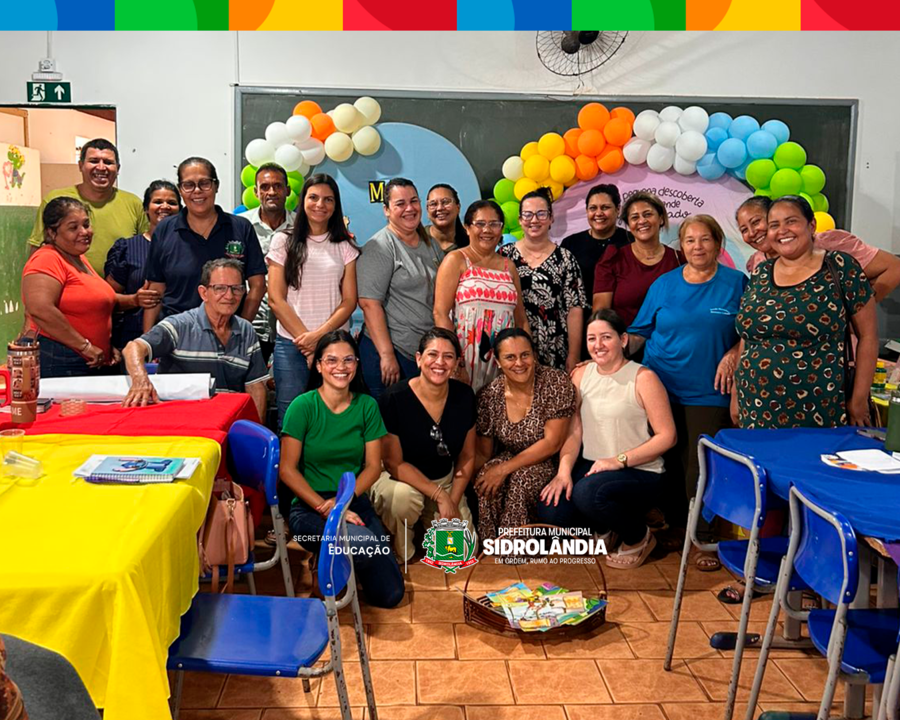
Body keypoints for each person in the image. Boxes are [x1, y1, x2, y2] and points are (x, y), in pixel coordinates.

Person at [628, 215, 747, 563]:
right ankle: (674, 529)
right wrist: (606, 351)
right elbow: (640, 332)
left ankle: (704, 537)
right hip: (660, 387)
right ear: (681, 247)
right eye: (690, 240)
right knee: (663, 465)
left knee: (700, 467)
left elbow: (753, 331)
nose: (697, 247)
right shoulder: (664, 285)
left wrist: (733, 352)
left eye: (705, 240)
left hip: (709, 391)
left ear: (718, 244)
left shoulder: (737, 283)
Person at [279, 330, 405, 609]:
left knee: (391, 595)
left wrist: (344, 504)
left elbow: (373, 467)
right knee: (363, 545)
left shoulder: (367, 406)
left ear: (357, 365)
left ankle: (338, 558)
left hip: (353, 500)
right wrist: (330, 509)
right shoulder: (303, 406)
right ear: (319, 365)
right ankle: (328, 555)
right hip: (311, 507)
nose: (341, 367)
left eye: (348, 360)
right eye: (332, 360)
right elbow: (287, 471)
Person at [542, 309, 676, 569]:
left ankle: (639, 536)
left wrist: (618, 460)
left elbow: (668, 437)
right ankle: (606, 526)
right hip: (595, 466)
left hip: (639, 469)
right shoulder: (581, 375)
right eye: (592, 339)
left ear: (623, 340)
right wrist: (564, 472)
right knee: (553, 509)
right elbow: (574, 431)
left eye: (606, 337)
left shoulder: (643, 378)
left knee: (588, 494)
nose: (598, 345)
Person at [734, 195, 877, 429]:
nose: (782, 231)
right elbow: (748, 338)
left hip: (820, 408)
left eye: (791, 221)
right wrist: (735, 395)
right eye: (774, 225)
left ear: (811, 225)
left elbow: (868, 337)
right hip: (756, 407)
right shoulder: (761, 273)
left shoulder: (840, 266)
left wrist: (858, 400)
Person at [372, 328, 477, 563]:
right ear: (419, 359)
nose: (440, 362)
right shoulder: (393, 398)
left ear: (456, 362)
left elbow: (468, 455)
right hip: (400, 480)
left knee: (456, 556)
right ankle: (401, 547)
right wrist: (439, 496)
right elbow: (393, 462)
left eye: (448, 356)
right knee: (402, 499)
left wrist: (451, 499)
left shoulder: (464, 396)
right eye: (432, 354)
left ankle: (429, 527)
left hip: (444, 479)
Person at [121, 259, 268, 421]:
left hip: (227, 423)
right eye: (220, 288)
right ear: (203, 293)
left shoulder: (246, 330)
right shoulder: (180, 325)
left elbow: (255, 387)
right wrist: (140, 380)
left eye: (237, 289)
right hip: (180, 423)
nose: (229, 296)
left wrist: (256, 431)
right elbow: (133, 348)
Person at [22, 197, 152, 378]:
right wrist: (84, 346)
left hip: (88, 359)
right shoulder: (47, 259)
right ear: (52, 233)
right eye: (73, 227)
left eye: (86, 224)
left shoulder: (78, 259)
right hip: (62, 359)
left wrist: (134, 300)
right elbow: (40, 309)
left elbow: (99, 301)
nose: (84, 232)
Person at [267, 174, 359, 427]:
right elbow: (276, 298)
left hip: (334, 345)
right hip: (291, 344)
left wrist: (319, 339)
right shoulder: (283, 241)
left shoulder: (345, 244)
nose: (320, 204)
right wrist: (307, 344)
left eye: (328, 199)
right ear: (302, 201)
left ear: (336, 204)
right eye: (314, 197)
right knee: (291, 414)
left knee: (334, 414)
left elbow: (349, 301)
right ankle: (288, 467)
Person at [142, 157, 266, 331]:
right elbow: (155, 291)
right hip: (175, 335)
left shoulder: (240, 227)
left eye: (204, 183)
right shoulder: (165, 229)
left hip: (226, 335)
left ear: (216, 186)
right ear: (180, 190)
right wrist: (149, 341)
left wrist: (240, 328)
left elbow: (258, 285)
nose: (197, 191)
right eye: (189, 185)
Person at [473, 328, 575, 541]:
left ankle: (520, 548)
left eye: (525, 355)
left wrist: (504, 469)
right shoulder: (489, 395)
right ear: (498, 362)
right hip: (510, 456)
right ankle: (490, 544)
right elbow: (483, 453)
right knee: (487, 477)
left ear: (534, 355)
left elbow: (552, 443)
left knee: (521, 479)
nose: (519, 363)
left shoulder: (554, 382)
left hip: (550, 459)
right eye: (510, 357)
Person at [357, 178, 444, 400]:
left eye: (414, 201)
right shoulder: (380, 247)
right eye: (400, 203)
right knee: (391, 425)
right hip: (391, 352)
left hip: (422, 351)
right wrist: (386, 356)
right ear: (386, 210)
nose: (409, 208)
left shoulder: (430, 242)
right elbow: (369, 303)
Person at [433, 200, 529, 392]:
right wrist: (454, 360)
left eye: (494, 224)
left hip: (504, 362)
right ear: (467, 228)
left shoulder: (508, 266)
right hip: (465, 359)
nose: (487, 230)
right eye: (480, 224)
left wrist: (525, 358)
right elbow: (440, 313)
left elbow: (521, 320)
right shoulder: (456, 260)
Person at [738, 195, 900, 302]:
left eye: (756, 222)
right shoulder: (757, 264)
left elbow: (894, 267)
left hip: (834, 350)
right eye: (744, 229)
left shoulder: (831, 244)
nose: (752, 233)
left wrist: (859, 311)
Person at [499, 188, 587, 372]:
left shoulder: (565, 258)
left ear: (551, 218)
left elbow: (575, 309)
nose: (534, 220)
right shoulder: (503, 255)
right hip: (513, 346)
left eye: (541, 214)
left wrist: (574, 354)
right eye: (528, 215)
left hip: (555, 347)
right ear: (520, 220)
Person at [27, 138, 147, 273]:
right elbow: (37, 250)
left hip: (121, 291)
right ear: (80, 165)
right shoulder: (55, 200)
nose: (101, 167)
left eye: (108, 162)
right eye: (94, 161)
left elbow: (145, 248)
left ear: (118, 169)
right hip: (69, 289)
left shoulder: (134, 203)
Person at [104, 180, 177, 348]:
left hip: (180, 339)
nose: (165, 206)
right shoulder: (127, 248)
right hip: (133, 338)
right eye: (158, 202)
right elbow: (107, 299)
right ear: (145, 209)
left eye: (172, 203)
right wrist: (134, 300)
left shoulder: (189, 249)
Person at [593, 191, 682, 326]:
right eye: (635, 217)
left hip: (672, 344)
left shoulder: (680, 260)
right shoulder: (613, 259)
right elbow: (601, 316)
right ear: (629, 225)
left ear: (661, 219)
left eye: (648, 214)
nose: (642, 221)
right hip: (627, 344)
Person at [238, 163, 297, 361]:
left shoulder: (302, 228)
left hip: (292, 324)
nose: (271, 192)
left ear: (287, 190)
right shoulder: (240, 226)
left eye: (278, 186)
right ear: (256, 192)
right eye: (265, 187)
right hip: (250, 322)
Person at [560, 183, 632, 333]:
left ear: (618, 210)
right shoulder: (570, 244)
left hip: (624, 324)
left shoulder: (630, 241)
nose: (598, 213)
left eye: (605, 207)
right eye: (593, 208)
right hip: (579, 326)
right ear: (587, 211)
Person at [425, 183, 468, 253]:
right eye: (433, 204)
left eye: (445, 202)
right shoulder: (418, 238)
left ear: (458, 207)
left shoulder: (471, 243)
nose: (440, 208)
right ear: (427, 209)